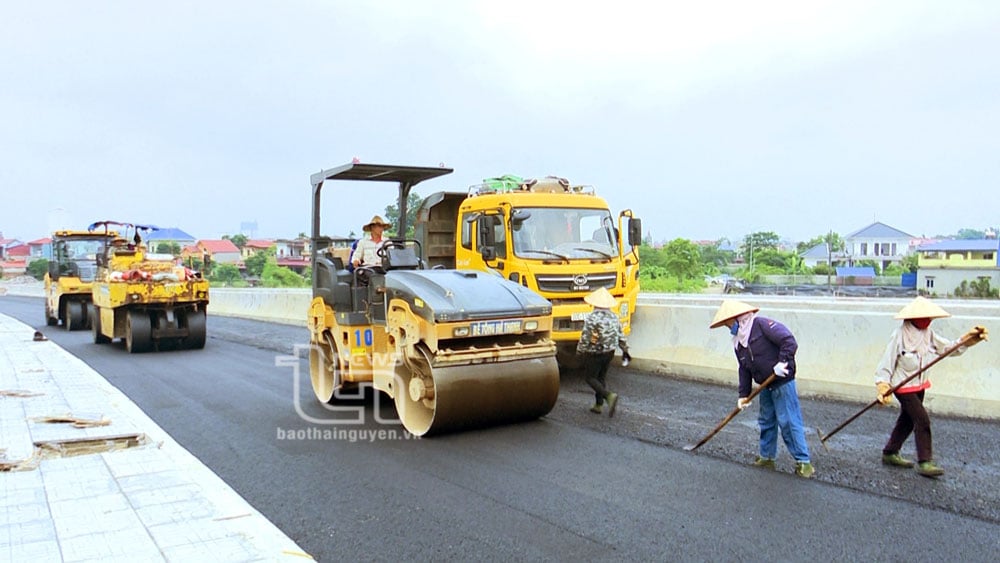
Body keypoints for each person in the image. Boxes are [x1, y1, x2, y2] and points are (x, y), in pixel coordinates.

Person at [874, 296, 985, 478]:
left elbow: (947, 349)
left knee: (908, 420)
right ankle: (925, 461)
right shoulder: (900, 335)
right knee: (922, 420)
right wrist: (883, 385)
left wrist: (968, 340)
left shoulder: (928, 334)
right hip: (903, 385)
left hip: (919, 385)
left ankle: (890, 452)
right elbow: (886, 361)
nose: (928, 321)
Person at [710, 299, 815, 478]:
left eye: (728, 324)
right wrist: (743, 395)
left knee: (789, 422)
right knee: (766, 421)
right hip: (764, 385)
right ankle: (766, 457)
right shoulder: (738, 342)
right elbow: (744, 368)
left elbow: (789, 341)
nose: (729, 328)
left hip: (781, 382)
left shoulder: (761, 325)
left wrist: (782, 362)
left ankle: (803, 462)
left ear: (737, 318)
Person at [577, 287, 631, 417]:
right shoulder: (614, 316)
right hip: (610, 352)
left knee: (590, 378)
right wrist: (625, 350)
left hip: (595, 352)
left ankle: (609, 396)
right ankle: (598, 405)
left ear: (594, 303)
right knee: (601, 377)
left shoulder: (592, 318)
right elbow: (620, 335)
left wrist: (580, 351)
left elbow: (586, 337)